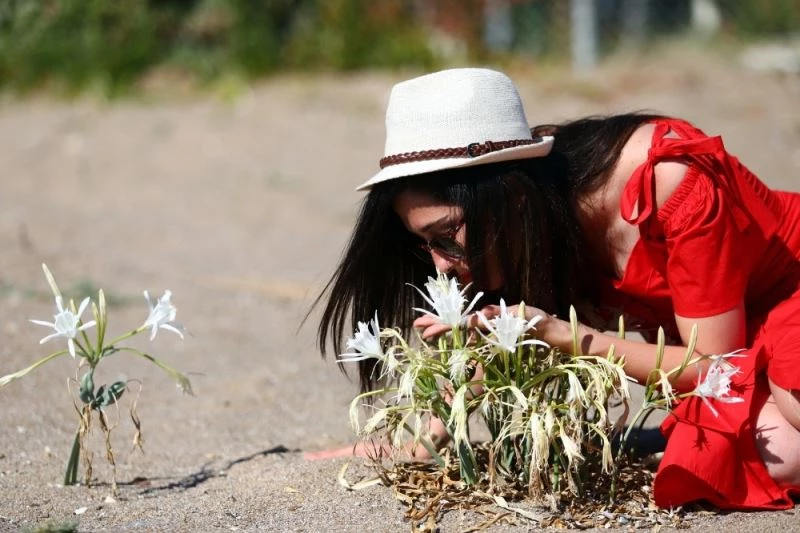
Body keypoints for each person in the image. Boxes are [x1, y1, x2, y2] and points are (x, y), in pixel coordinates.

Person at [308, 67, 800, 510]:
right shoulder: (534, 212)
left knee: (787, 408)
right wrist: (428, 437)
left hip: (785, 291)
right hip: (735, 335)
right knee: (770, 450)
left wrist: (565, 336)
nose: (440, 264)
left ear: (509, 200)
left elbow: (715, 369)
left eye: (446, 237)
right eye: (426, 245)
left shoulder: (666, 177)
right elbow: (506, 332)